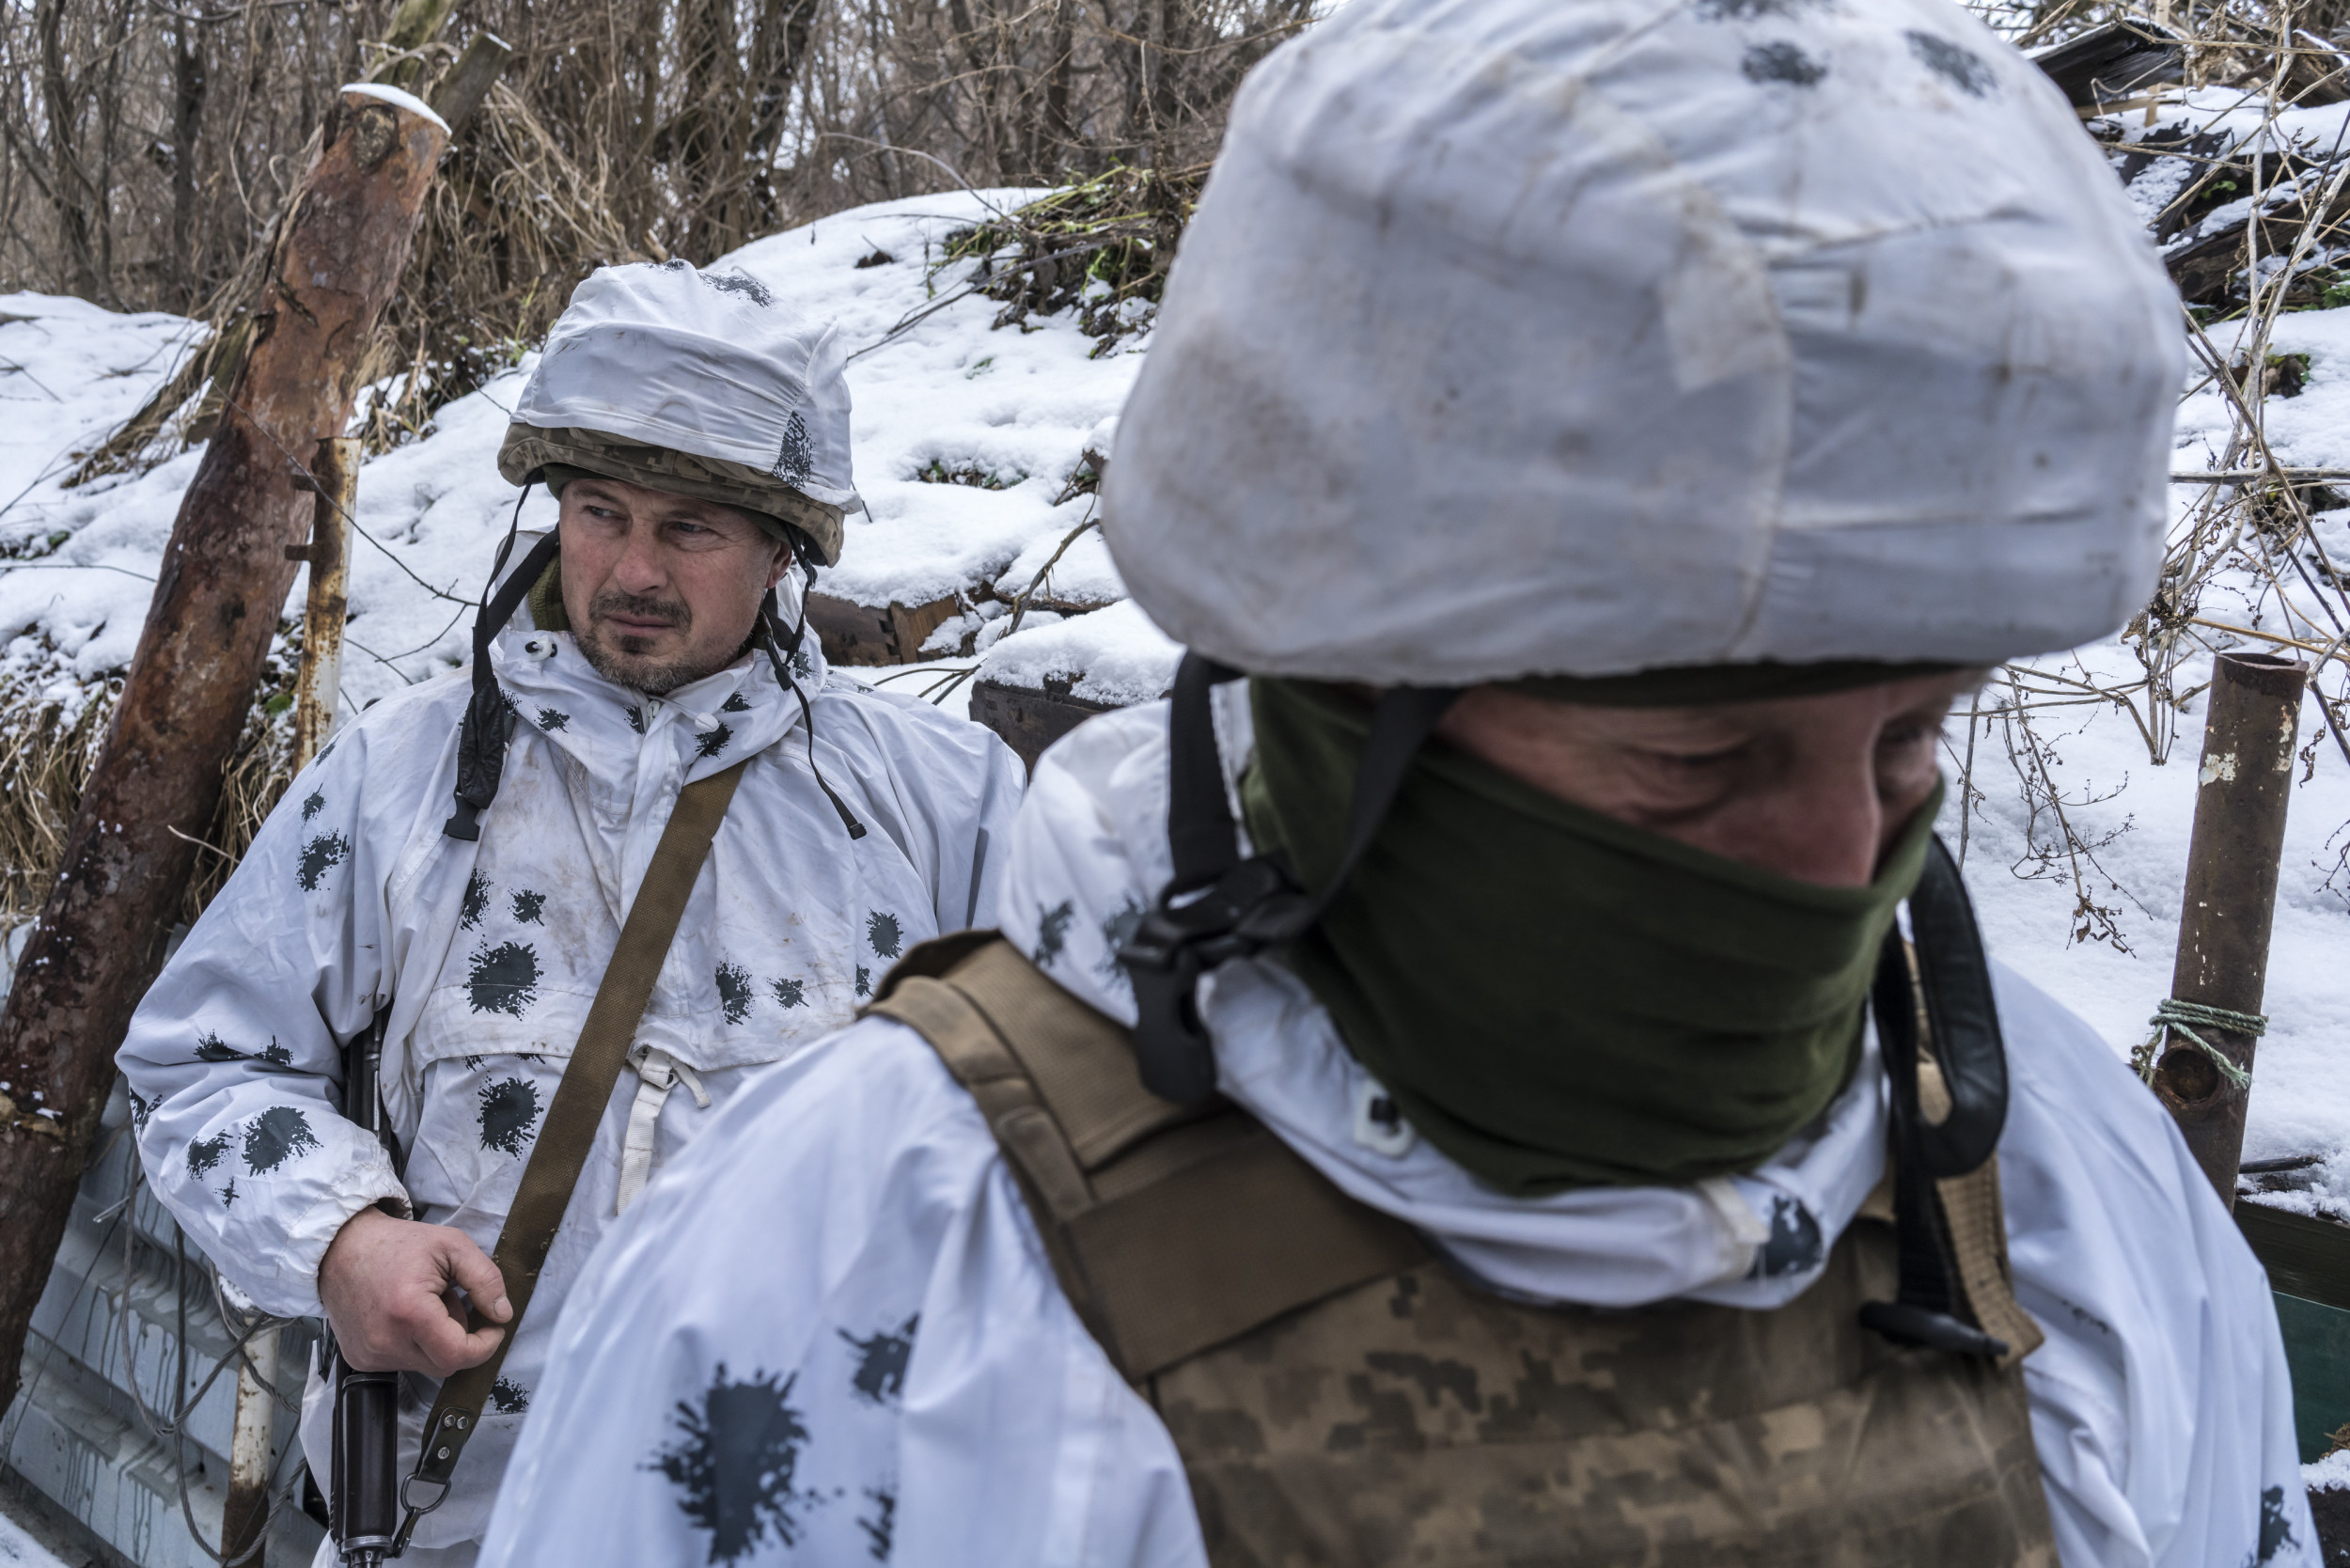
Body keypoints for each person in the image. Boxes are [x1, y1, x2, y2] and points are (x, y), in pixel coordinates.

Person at [478, 2, 2315, 1564]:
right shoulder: (874, 1258)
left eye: (1913, 738)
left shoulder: (2057, 1189)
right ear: (1341, 706)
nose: (1840, 864)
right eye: (1688, 765)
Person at [117, 259, 1026, 1566]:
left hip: (811, 1522)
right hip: (453, 1523)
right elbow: (196, 1065)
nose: (632, 569)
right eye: (600, 513)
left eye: (690, 529)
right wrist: (340, 1242)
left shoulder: (943, 811)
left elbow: (1085, 1129)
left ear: (784, 550)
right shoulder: (403, 781)